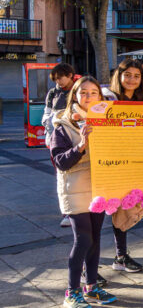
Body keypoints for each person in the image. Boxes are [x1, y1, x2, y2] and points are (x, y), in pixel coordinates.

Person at [51, 77, 118, 307]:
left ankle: (92, 287)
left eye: (93, 93)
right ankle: (72, 292)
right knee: (83, 239)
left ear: (100, 97)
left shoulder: (108, 120)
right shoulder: (63, 124)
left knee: (96, 239)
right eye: (83, 93)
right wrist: (81, 145)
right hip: (75, 190)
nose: (88, 97)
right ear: (75, 96)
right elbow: (60, 161)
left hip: (99, 189)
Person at [103, 59, 143, 274]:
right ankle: (114, 257)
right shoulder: (108, 98)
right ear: (119, 75)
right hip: (111, 162)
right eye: (127, 74)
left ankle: (121, 255)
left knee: (128, 207)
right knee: (113, 208)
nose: (132, 79)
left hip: (137, 162)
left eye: (137, 76)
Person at [43, 63, 77, 229]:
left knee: (76, 177)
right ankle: (67, 212)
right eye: (56, 79)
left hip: (76, 137)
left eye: (61, 77)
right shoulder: (53, 93)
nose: (59, 82)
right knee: (61, 175)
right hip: (56, 137)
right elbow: (47, 113)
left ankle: (77, 211)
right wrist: (50, 125)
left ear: (70, 75)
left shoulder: (79, 89)